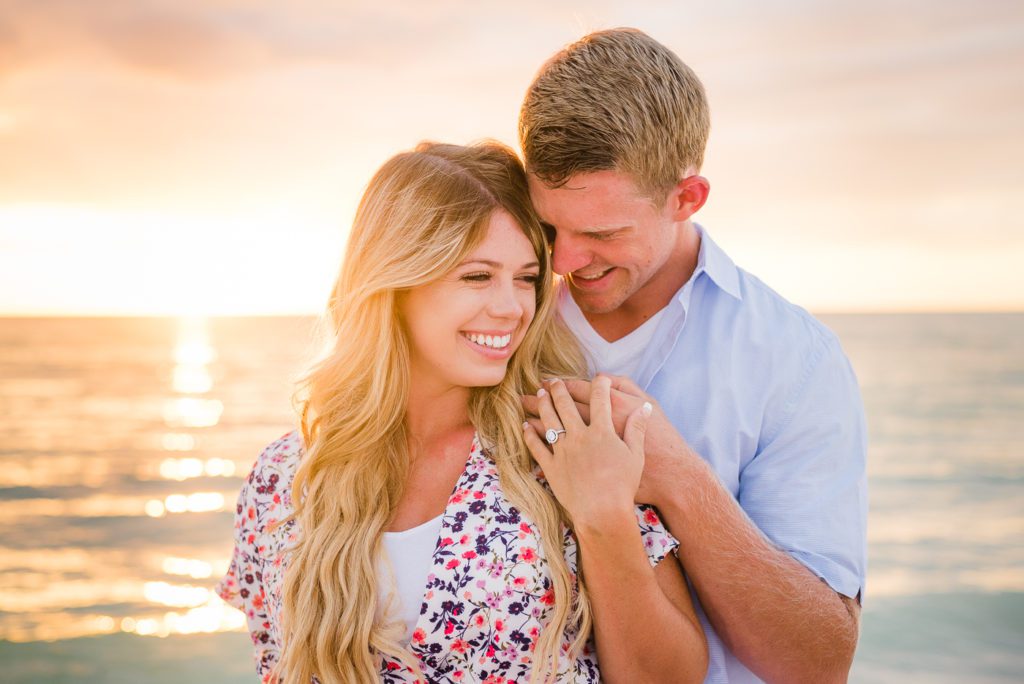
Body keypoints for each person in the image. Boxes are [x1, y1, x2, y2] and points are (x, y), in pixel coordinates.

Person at [216, 141, 708, 683]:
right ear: (394, 283)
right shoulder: (284, 476)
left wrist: (604, 518)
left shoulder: (568, 440)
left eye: (526, 278)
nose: (511, 307)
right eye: (477, 276)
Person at [519, 29, 868, 683]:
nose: (563, 262)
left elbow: (818, 664)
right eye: (550, 228)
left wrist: (680, 479)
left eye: (601, 233)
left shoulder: (795, 361)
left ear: (688, 198)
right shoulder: (501, 319)